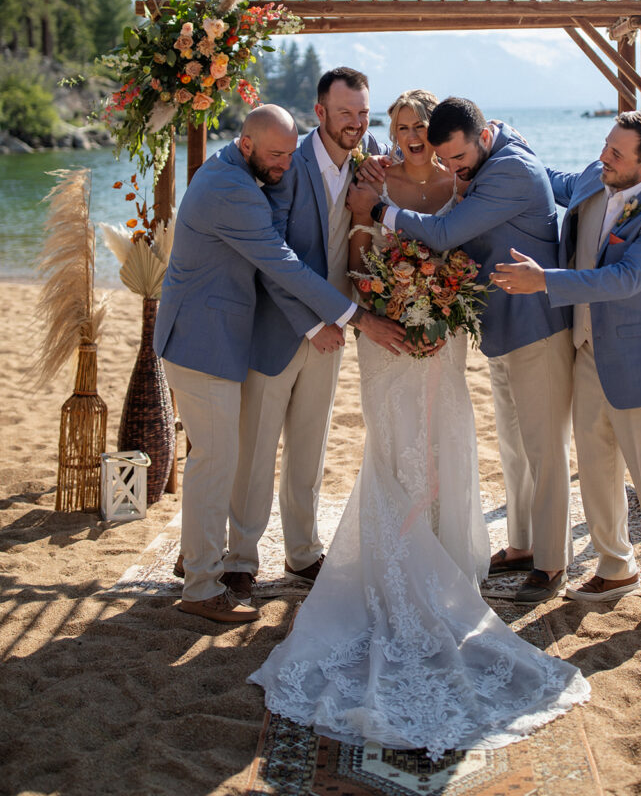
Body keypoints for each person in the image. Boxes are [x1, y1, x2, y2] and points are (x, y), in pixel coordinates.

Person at [249, 89, 590, 758]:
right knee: (394, 441)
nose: (410, 136)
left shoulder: (459, 181)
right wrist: (380, 301)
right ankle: (394, 562)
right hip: (383, 332)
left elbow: (458, 248)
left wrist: (437, 301)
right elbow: (355, 254)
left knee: (447, 436)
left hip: (446, 331)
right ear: (391, 130)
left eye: (420, 128)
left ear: (437, 136)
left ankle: (453, 556)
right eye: (400, 125)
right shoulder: (371, 176)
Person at [347, 96, 574, 604]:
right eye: (445, 159)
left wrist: (379, 209)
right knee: (514, 448)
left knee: (544, 450)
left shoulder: (510, 169)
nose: (452, 168)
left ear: (483, 137)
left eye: (458, 158)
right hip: (500, 328)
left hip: (536, 326)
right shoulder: (483, 152)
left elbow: (447, 231)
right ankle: (523, 545)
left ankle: (552, 563)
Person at [491, 110, 641, 632]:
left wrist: (544, 281)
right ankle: (615, 567)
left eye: (616, 153)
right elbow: (552, 181)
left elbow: (625, 278)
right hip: (587, 351)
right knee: (596, 466)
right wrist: (504, 143)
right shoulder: (599, 174)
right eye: (606, 145)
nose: (603, 157)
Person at [155, 105, 359, 624]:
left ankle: (195, 558)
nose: (286, 166)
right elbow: (281, 264)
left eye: (291, 154)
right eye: (276, 155)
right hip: (202, 342)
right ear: (246, 144)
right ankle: (202, 588)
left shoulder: (233, 171)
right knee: (215, 463)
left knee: (215, 461)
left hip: (210, 340)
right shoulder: (233, 189)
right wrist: (354, 314)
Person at [220, 69, 408, 604]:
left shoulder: (368, 155)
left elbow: (413, 153)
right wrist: (313, 323)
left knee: (310, 446)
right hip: (282, 327)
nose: (356, 122)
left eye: (363, 113)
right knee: (256, 451)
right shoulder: (289, 165)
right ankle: (240, 559)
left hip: (335, 329)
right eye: (345, 112)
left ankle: (302, 552)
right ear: (320, 113)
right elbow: (272, 259)